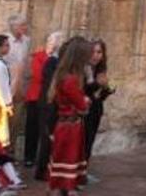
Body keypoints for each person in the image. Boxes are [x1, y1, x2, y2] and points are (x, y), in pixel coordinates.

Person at [47, 37, 93, 194]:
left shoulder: (65, 76)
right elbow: (82, 105)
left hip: (69, 125)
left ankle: (65, 189)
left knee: (65, 161)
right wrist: (85, 101)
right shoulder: (70, 80)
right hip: (69, 127)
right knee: (67, 160)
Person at [25, 31, 63, 168]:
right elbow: (38, 75)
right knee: (32, 127)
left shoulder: (58, 59)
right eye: (53, 41)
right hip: (36, 95)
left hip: (49, 98)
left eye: (57, 42)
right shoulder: (40, 56)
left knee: (45, 130)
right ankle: (29, 157)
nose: (54, 44)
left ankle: (43, 158)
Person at [84, 38, 114, 173]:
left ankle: (84, 170)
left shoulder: (100, 70)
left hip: (95, 110)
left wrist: (107, 90)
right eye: (94, 52)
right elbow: (84, 90)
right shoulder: (84, 68)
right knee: (83, 141)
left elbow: (99, 96)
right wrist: (97, 85)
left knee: (90, 140)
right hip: (84, 110)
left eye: (99, 52)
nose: (96, 55)